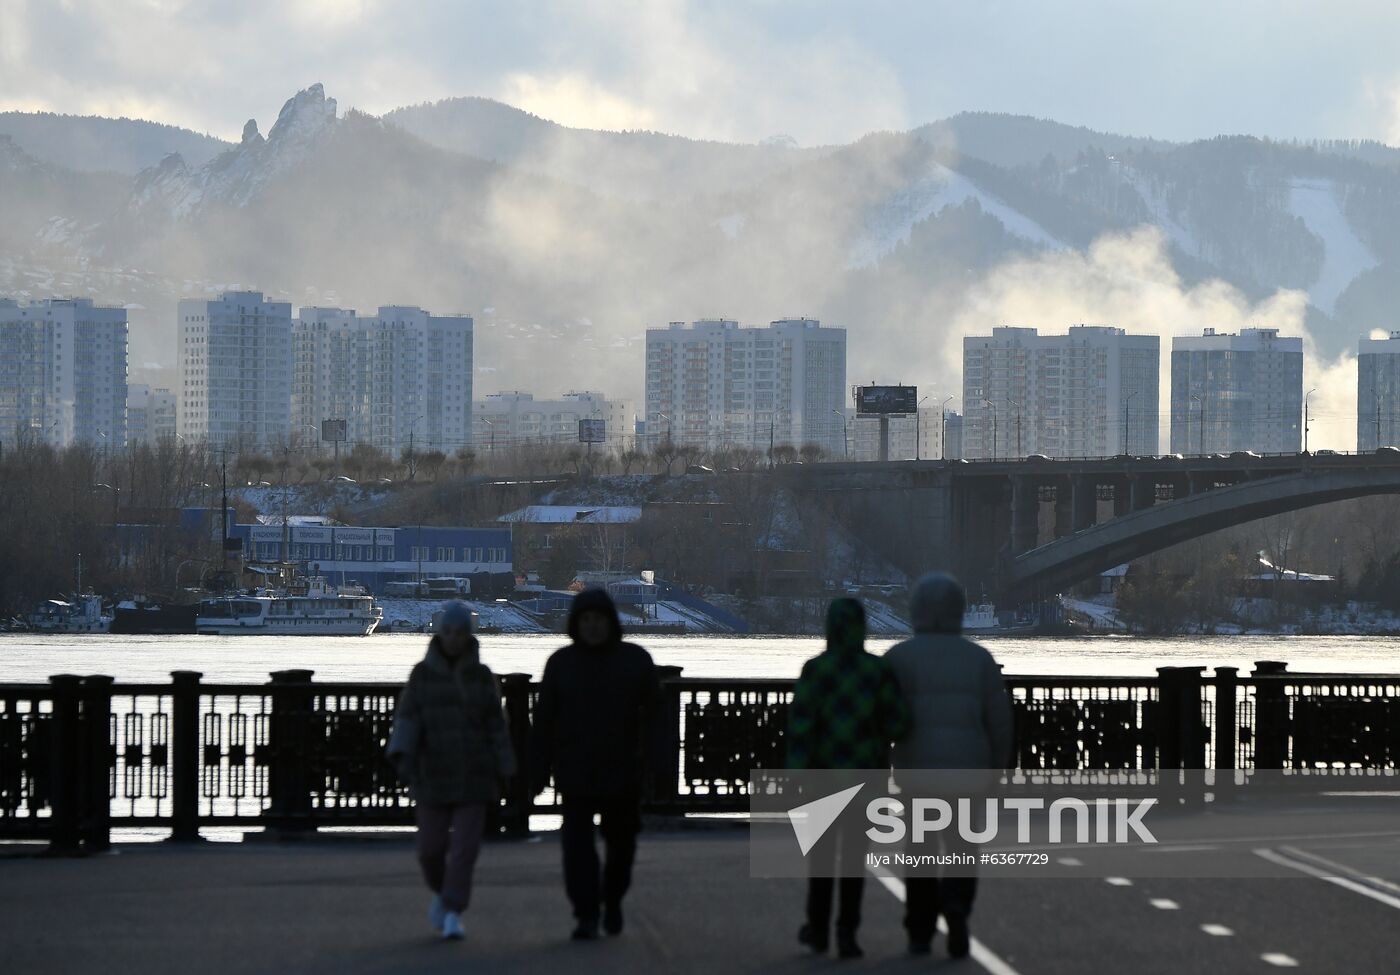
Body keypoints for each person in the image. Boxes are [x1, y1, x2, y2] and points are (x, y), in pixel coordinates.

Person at [883, 573, 1013, 959]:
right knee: (961, 846)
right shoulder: (979, 659)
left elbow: (883, 720)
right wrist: (996, 771)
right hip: (968, 773)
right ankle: (956, 910)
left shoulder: (897, 658)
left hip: (917, 772)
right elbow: (1001, 723)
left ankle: (920, 929)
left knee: (920, 848)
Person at [530, 589, 660, 940]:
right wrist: (538, 769)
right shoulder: (561, 664)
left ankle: (612, 899)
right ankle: (586, 913)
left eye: (598, 619)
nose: (592, 627)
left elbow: (657, 718)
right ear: (576, 623)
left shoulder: (635, 661)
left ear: (610, 622)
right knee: (576, 849)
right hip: (576, 771)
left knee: (622, 847)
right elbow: (544, 721)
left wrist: (654, 763)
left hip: (623, 771)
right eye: (586, 620)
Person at [386, 601, 517, 941]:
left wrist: (506, 768)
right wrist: (403, 756)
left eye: (460, 632)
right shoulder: (422, 675)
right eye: (448, 631)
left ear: (468, 634)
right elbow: (408, 719)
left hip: (475, 773)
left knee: (465, 849)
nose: (454, 638)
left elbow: (496, 727)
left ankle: (453, 910)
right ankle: (444, 895)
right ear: (440, 633)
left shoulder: (482, 677)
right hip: (432, 772)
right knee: (429, 850)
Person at [788, 598, 909, 959]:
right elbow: (898, 723)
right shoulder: (877, 671)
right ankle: (847, 934)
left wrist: (794, 777)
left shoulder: (815, 670)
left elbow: (801, 727)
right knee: (855, 861)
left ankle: (818, 929)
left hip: (821, 781)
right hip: (866, 780)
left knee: (822, 861)